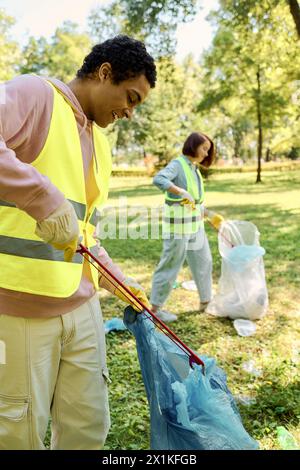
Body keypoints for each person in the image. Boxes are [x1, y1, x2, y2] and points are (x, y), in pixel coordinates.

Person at [0, 35, 156, 450]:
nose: (130, 111)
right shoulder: (36, 96)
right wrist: (40, 197)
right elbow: (51, 206)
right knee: (19, 433)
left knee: (88, 426)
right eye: (131, 96)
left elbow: (83, 234)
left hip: (83, 307)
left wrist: (120, 283)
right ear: (104, 72)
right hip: (19, 310)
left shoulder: (100, 144)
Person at [150, 132, 224, 322]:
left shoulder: (194, 169)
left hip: (195, 226)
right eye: (204, 149)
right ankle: (155, 309)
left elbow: (195, 201)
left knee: (204, 262)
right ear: (193, 145)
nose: (207, 154)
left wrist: (210, 215)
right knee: (170, 265)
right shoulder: (178, 164)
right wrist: (179, 191)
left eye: (209, 150)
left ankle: (206, 301)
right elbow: (159, 179)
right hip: (178, 228)